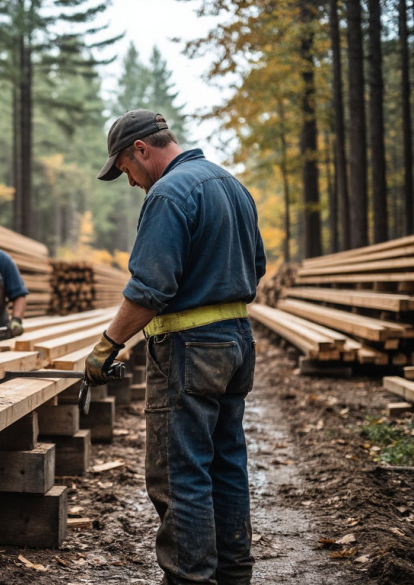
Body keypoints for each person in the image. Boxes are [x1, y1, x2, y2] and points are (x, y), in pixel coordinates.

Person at [84, 110, 266, 585]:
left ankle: (190, 579)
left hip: (189, 350)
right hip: (237, 343)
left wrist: (107, 345)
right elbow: (258, 266)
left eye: (125, 167)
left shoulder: (169, 192)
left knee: (180, 473)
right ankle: (233, 575)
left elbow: (149, 289)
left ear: (142, 149)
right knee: (226, 464)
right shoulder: (231, 185)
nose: (129, 180)